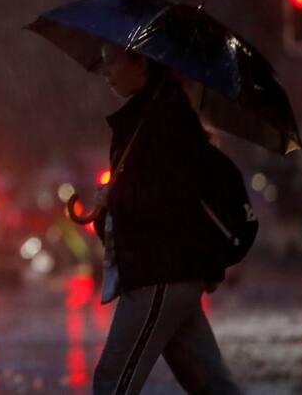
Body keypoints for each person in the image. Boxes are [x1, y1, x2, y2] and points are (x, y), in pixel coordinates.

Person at [91, 43, 241, 394]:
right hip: (170, 274)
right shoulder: (148, 116)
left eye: (111, 61)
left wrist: (118, 198)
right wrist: (111, 204)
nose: (106, 71)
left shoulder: (167, 119)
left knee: (112, 383)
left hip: (159, 274)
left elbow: (175, 201)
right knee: (213, 386)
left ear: (140, 63)